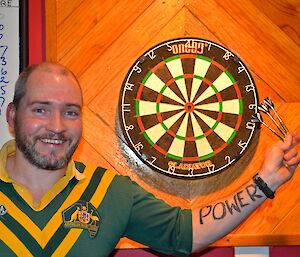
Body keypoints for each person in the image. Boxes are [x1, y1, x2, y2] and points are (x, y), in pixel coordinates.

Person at [0, 62, 299, 257]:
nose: (56, 126)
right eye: (40, 109)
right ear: (13, 115)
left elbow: (186, 232)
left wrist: (265, 182)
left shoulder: (109, 191)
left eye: (70, 112)